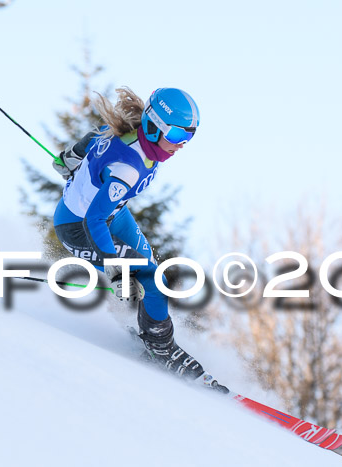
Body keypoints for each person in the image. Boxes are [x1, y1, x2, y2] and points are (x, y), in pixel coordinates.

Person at [52, 87, 227, 392]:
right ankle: (161, 346)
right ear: (153, 125)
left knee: (150, 268)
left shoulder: (131, 132)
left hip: (112, 214)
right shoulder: (127, 170)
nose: (181, 146)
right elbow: (93, 220)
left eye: (188, 138)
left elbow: (98, 137)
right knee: (148, 275)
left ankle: (146, 329)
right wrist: (116, 270)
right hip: (79, 227)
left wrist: (71, 157)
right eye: (174, 136)